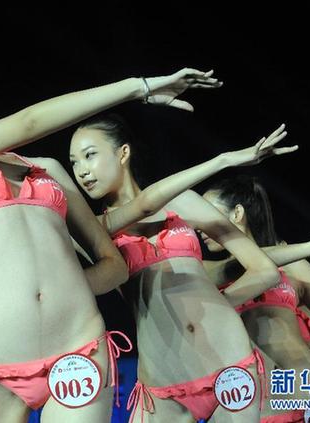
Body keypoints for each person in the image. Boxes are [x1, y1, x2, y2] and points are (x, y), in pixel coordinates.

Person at [0, 59, 220, 423]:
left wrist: (60, 288)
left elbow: (113, 265)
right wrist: (136, 87)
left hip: (78, 349)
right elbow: (28, 123)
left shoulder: (48, 170)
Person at [68, 113, 292, 422]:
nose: (81, 171)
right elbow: (145, 204)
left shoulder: (184, 203)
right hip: (162, 382)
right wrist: (224, 160)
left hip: (229, 364)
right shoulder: (90, 231)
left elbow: (264, 270)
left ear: (123, 152)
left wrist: (215, 306)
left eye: (89, 155)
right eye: (73, 163)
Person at [202, 175, 310, 421]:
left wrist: (297, 366)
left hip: (305, 398)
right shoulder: (206, 270)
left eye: (206, 214)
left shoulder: (294, 266)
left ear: (237, 213)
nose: (198, 226)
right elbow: (247, 266)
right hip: (245, 406)